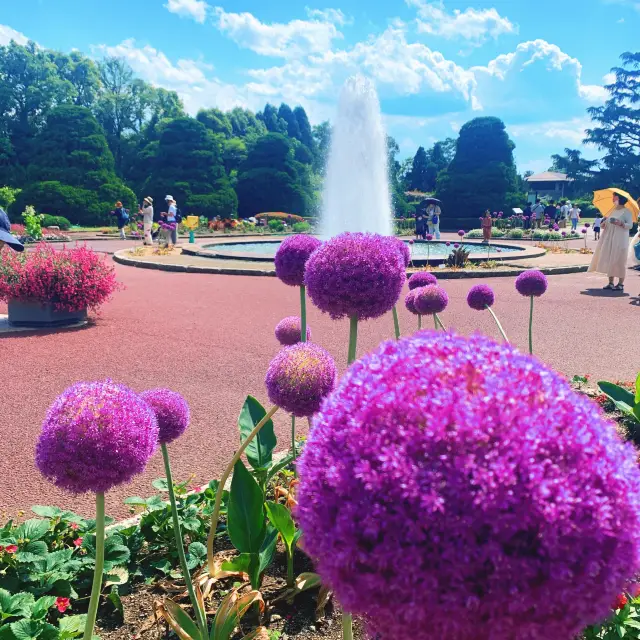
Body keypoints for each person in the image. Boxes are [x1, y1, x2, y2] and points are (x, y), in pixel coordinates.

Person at [588, 193, 633, 291]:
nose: (613, 199)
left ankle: (620, 284)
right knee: (610, 259)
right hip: (609, 238)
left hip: (620, 239)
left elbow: (630, 225)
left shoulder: (627, 211)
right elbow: (606, 224)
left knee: (620, 260)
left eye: (614, 197)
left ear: (619, 198)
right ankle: (611, 282)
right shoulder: (612, 210)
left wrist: (620, 223)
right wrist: (603, 224)